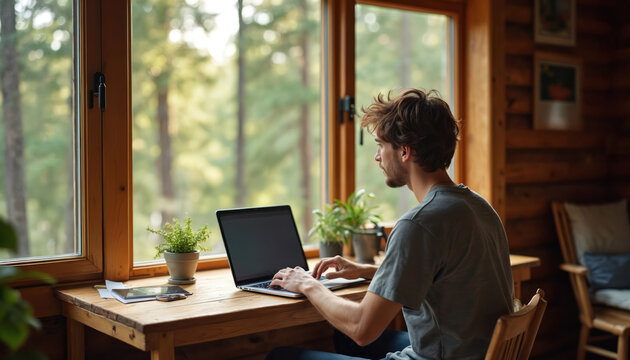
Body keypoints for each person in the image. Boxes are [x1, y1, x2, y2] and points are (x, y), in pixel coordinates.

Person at [266, 89, 514, 360]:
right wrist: (371, 271)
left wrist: (307, 284)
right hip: (470, 351)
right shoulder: (478, 206)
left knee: (283, 356)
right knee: (341, 338)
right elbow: (449, 277)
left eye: (380, 145)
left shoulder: (418, 224)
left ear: (405, 151)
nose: (377, 157)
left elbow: (362, 328)